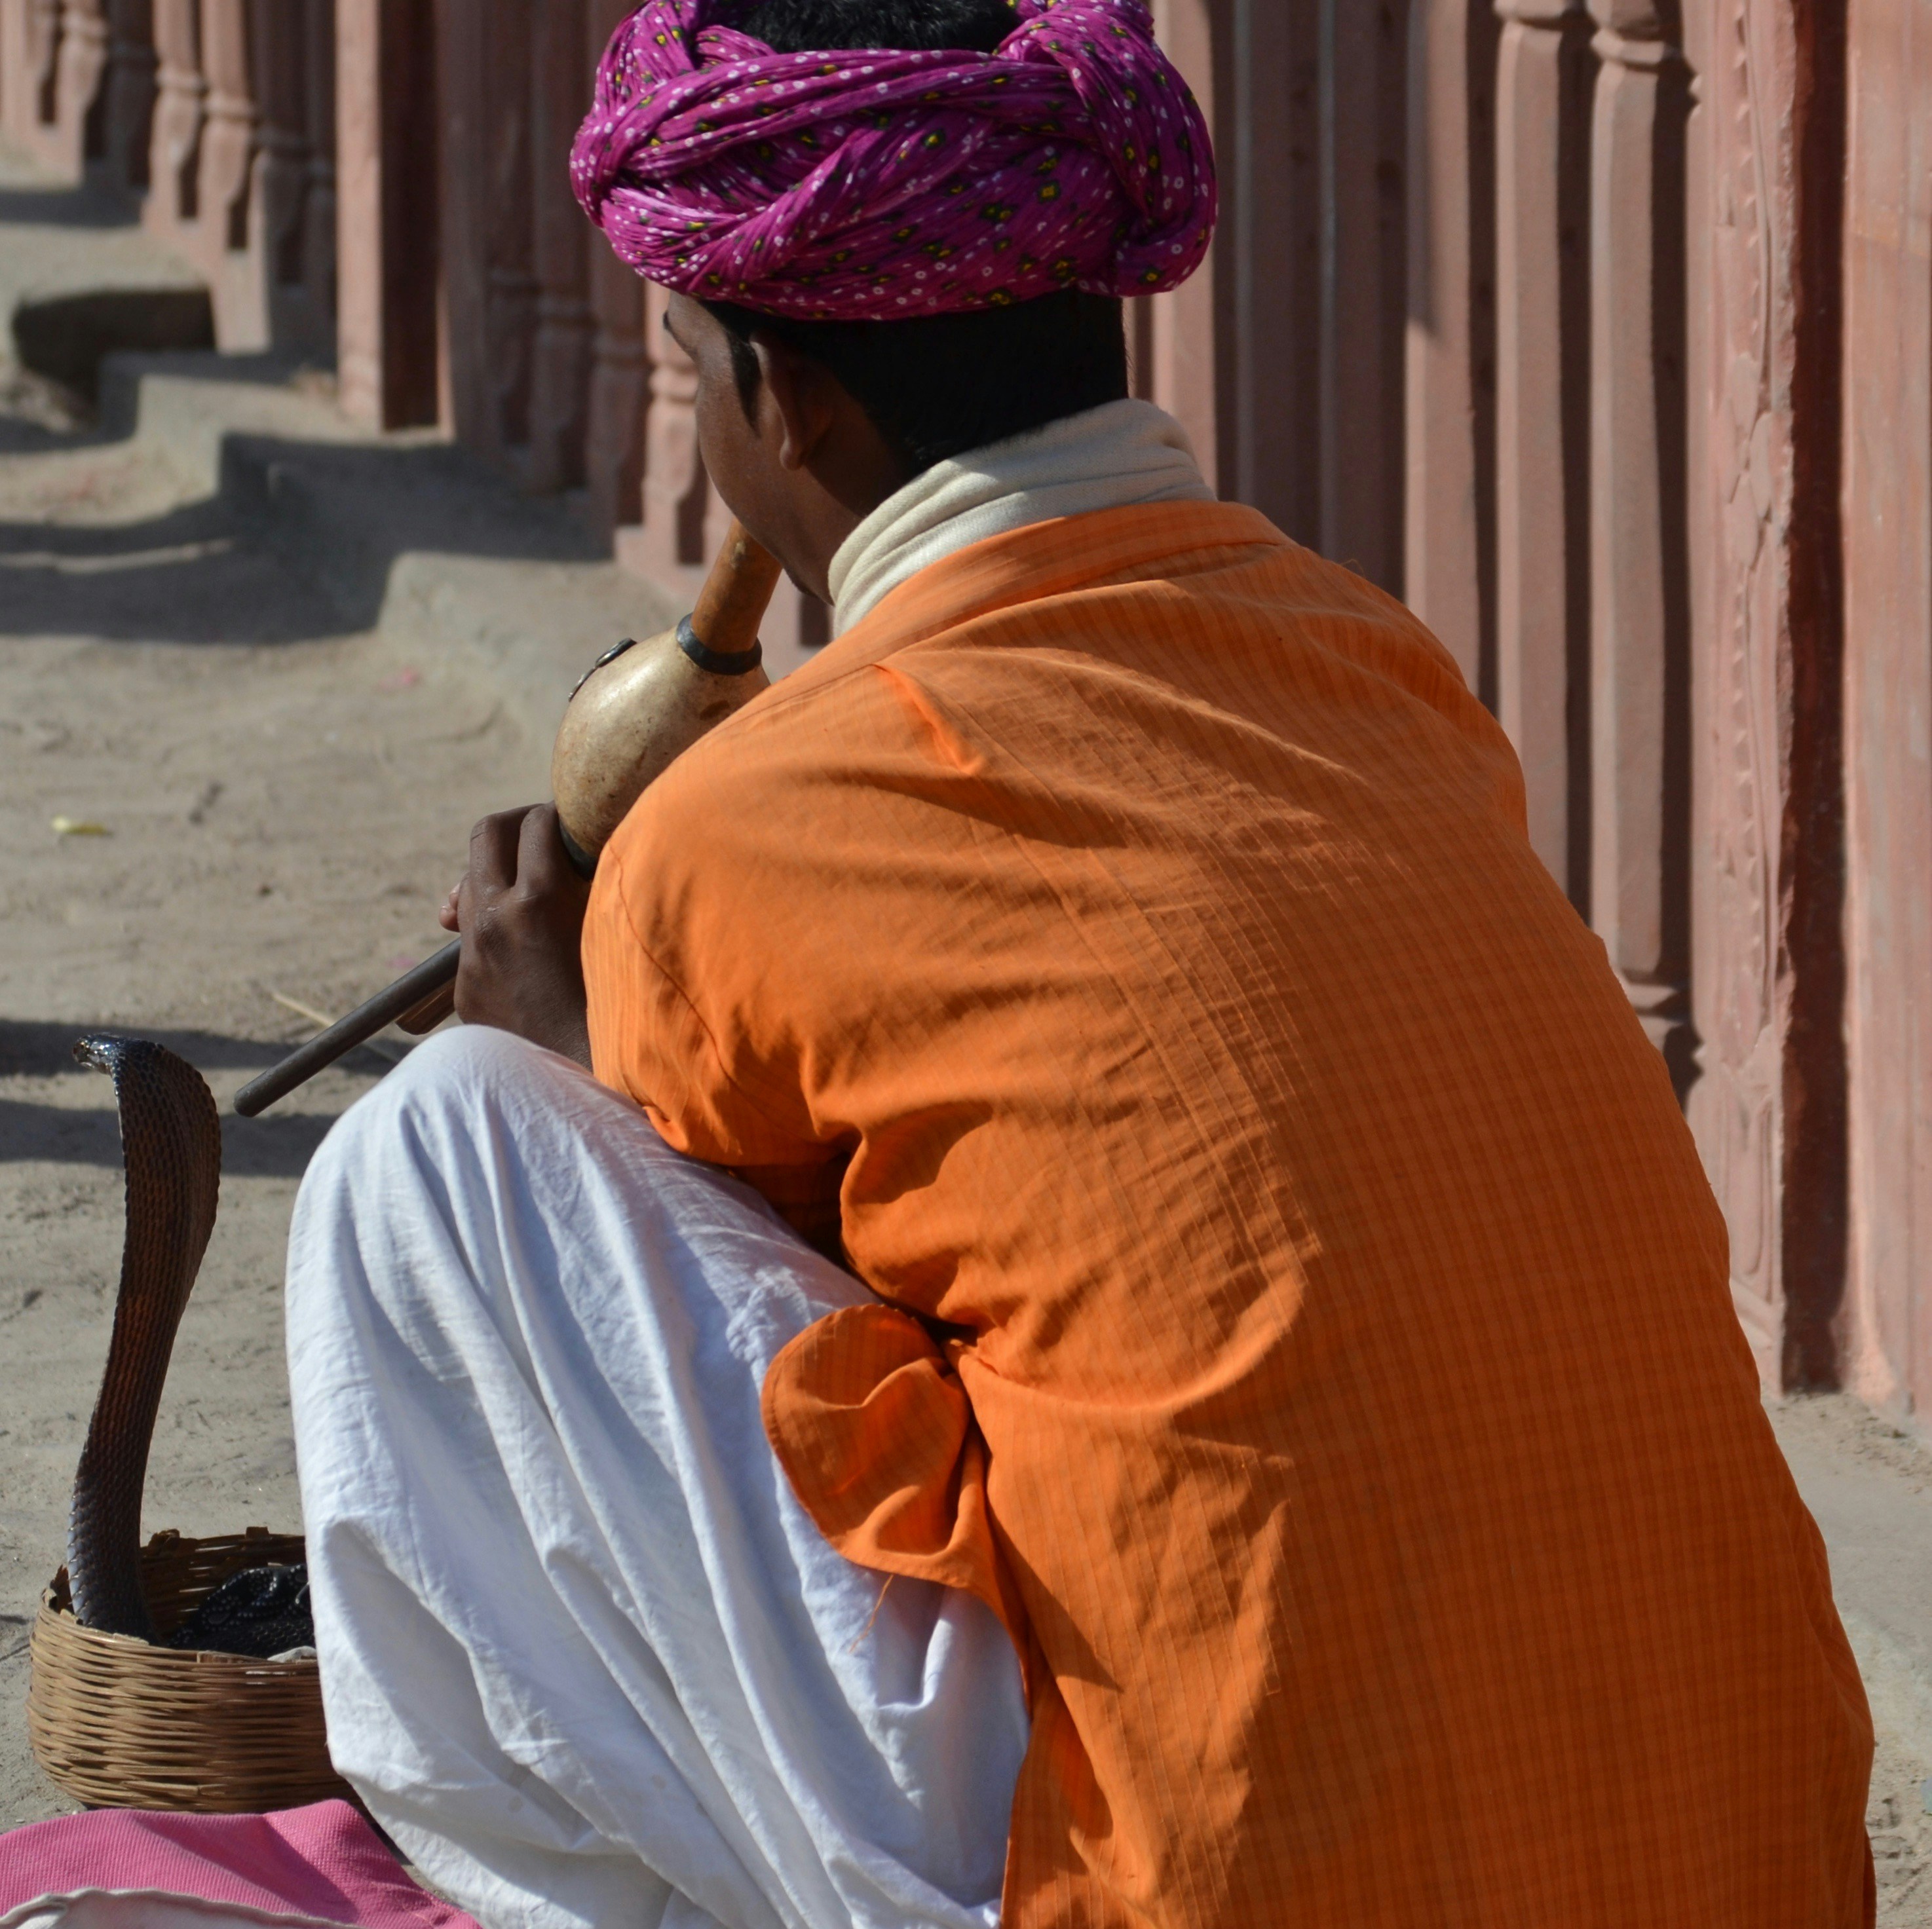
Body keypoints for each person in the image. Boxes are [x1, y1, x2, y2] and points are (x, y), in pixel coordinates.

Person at [286, 1, 1878, 1925]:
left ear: (785, 406)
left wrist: (560, 1039)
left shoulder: (750, 822)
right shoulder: (1371, 658)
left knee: (439, 1148)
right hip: (1735, 1865)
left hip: (1227, 1878)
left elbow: (774, 1345)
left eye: (693, 375)